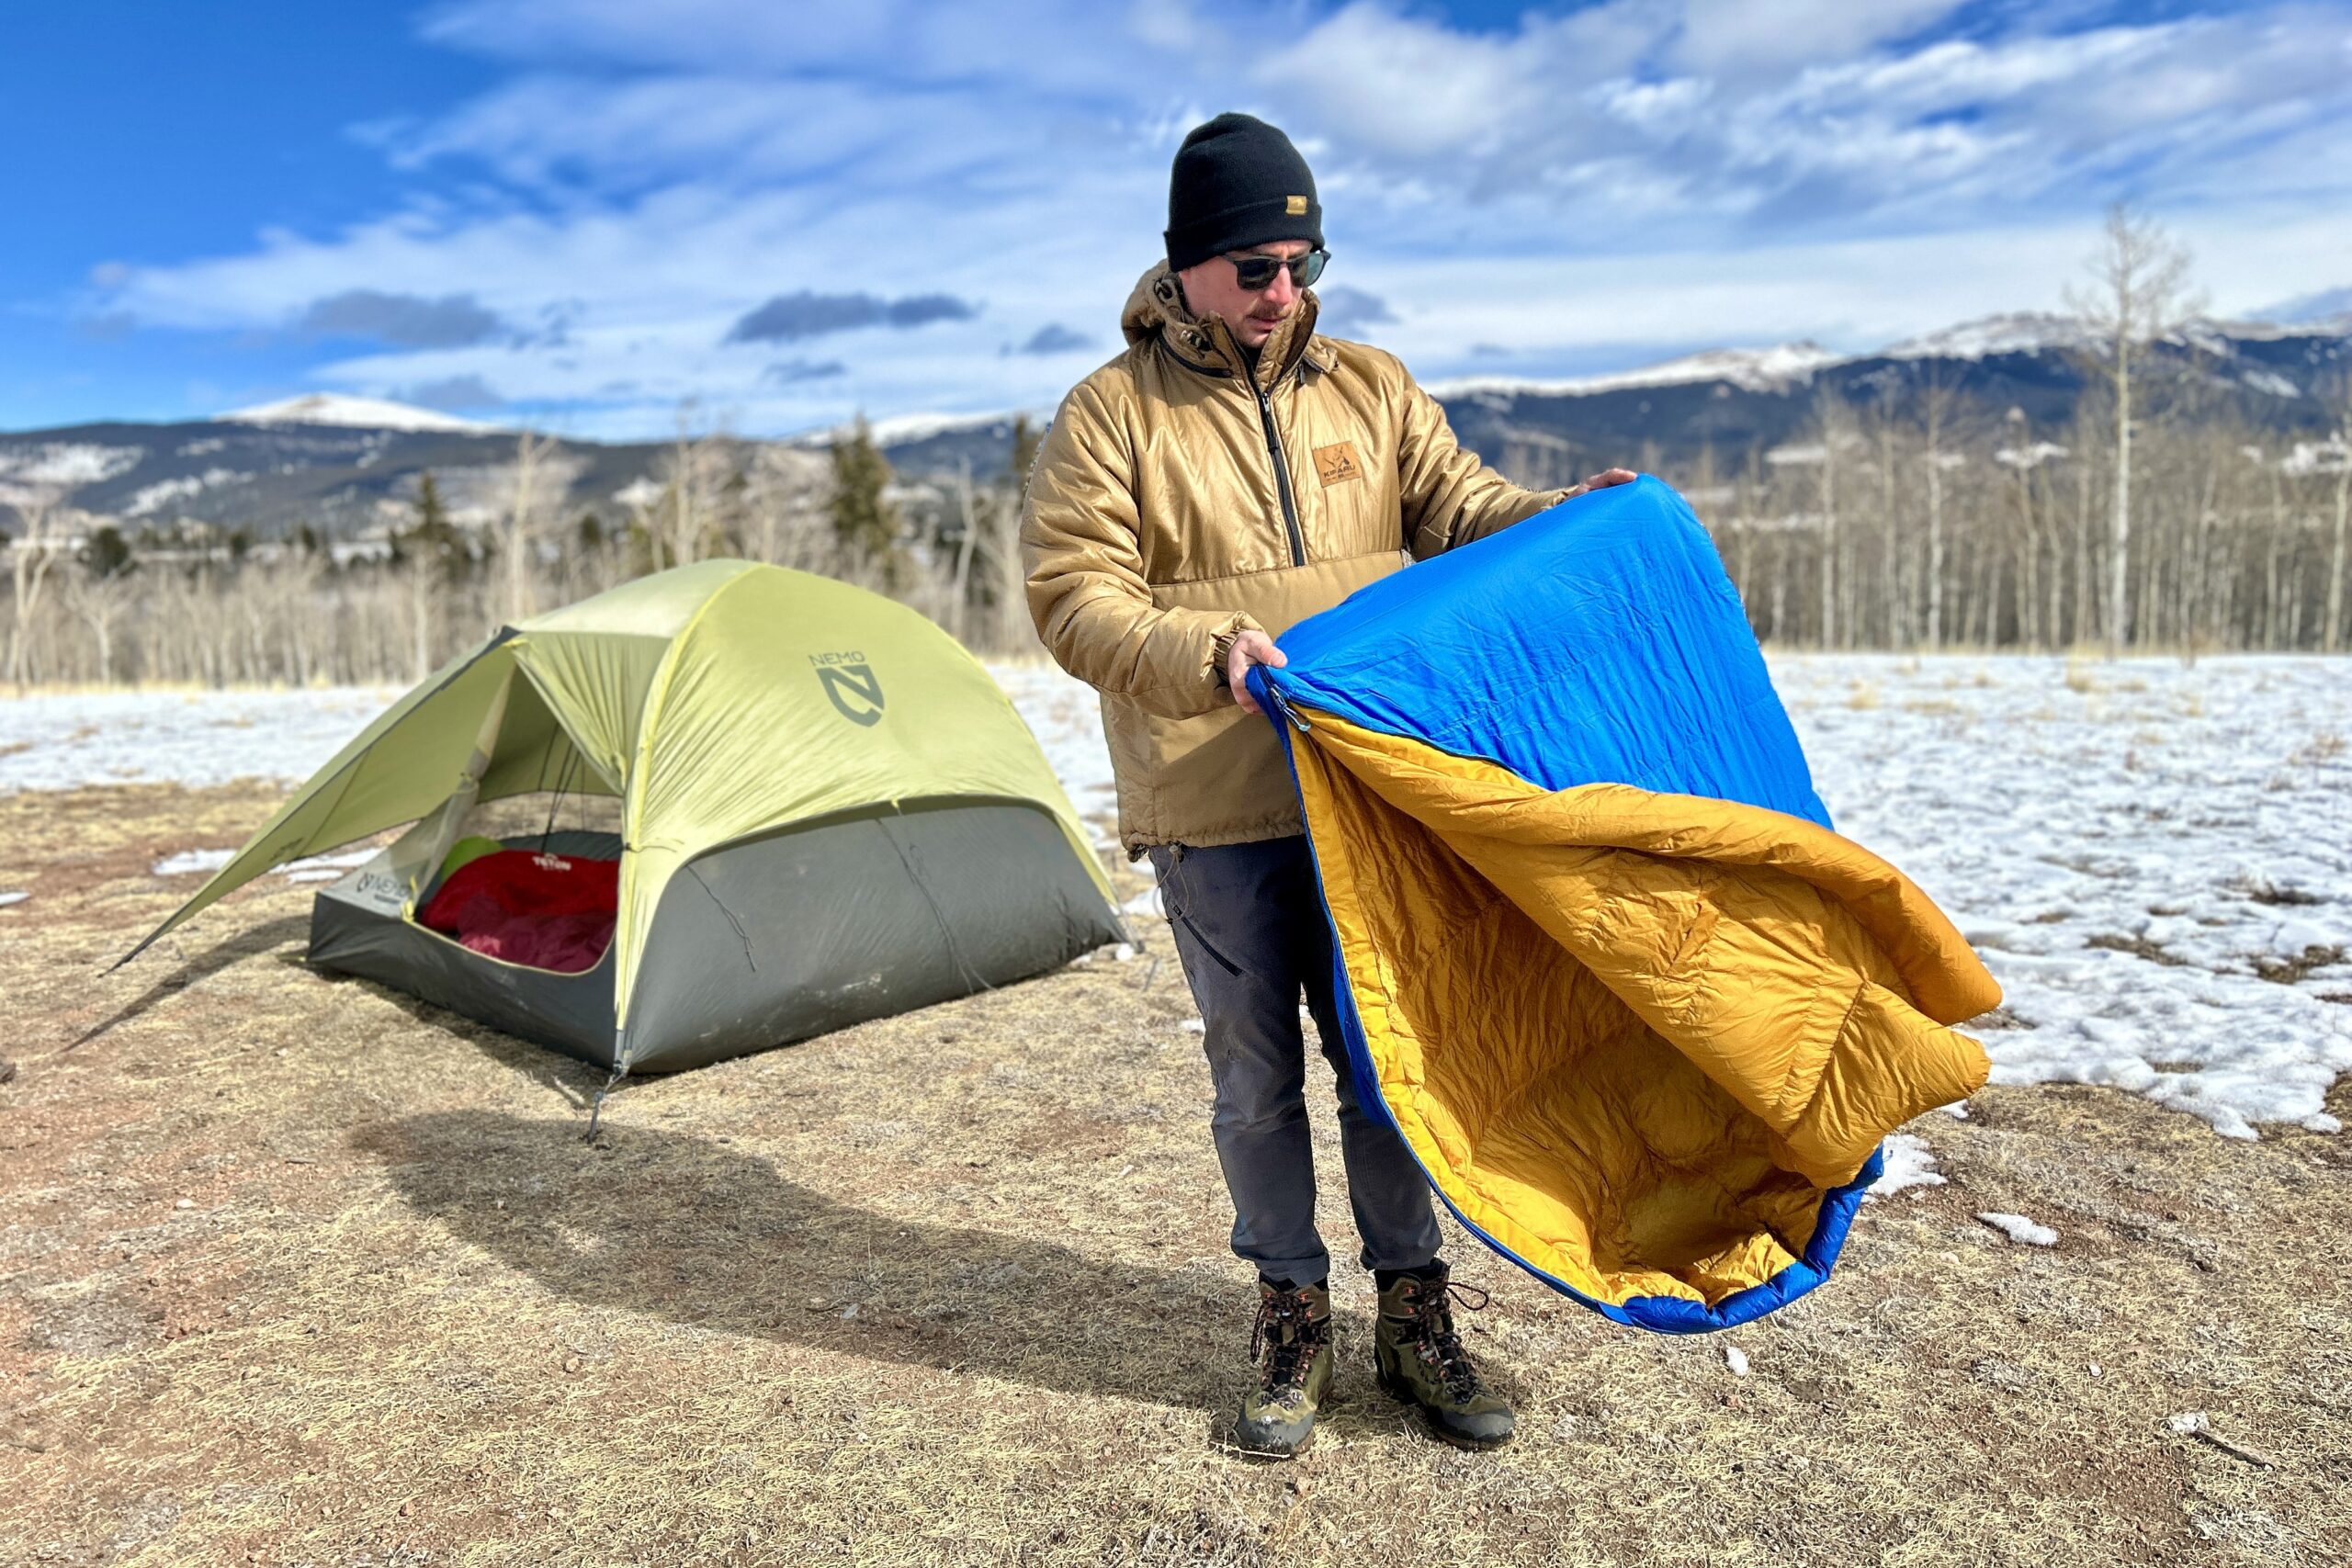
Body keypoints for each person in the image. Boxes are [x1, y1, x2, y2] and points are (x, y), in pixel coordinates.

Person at [1020, 112, 1634, 1457]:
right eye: (1254, 266)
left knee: (1386, 1067)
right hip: (1212, 806)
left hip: (1367, 796)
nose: (1282, 292)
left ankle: (1415, 1312)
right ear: (1184, 267)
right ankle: (1291, 1312)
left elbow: (1459, 510)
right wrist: (1203, 651)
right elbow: (1073, 600)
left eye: (1303, 262)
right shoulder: (1109, 415)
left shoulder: (1370, 385)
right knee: (1256, 1085)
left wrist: (1569, 515)